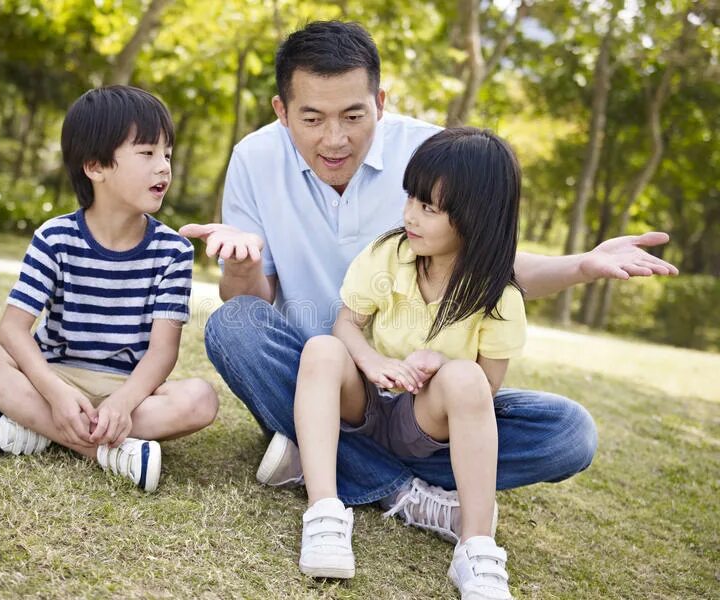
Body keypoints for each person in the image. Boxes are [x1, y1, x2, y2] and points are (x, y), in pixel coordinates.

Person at [181, 17, 676, 570]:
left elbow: (493, 266)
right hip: (322, 379)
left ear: (381, 101)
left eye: (353, 115)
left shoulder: (429, 154)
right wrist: (242, 262)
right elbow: (250, 296)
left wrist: (584, 265)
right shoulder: (254, 158)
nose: (335, 138)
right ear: (281, 110)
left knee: (569, 434)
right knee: (234, 325)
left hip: (426, 402)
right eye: (312, 118)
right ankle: (399, 490)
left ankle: (321, 461)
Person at [295, 128, 525, 599]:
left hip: (422, 426)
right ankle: (324, 511)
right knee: (320, 348)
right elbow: (346, 324)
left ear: (474, 217)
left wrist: (438, 364)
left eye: (428, 208)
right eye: (411, 199)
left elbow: (484, 390)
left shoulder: (499, 297)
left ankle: (476, 548)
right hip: (365, 404)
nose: (409, 216)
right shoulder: (391, 254)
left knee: (480, 386)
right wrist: (373, 361)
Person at [0, 85, 218, 493]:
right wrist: (56, 393)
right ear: (95, 166)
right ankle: (103, 449)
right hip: (53, 377)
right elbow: (12, 329)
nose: (164, 166)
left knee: (201, 399)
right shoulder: (55, 237)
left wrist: (124, 403)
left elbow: (163, 352)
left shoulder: (174, 251)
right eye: (147, 153)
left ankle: (33, 427)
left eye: (167, 153)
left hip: (125, 389)